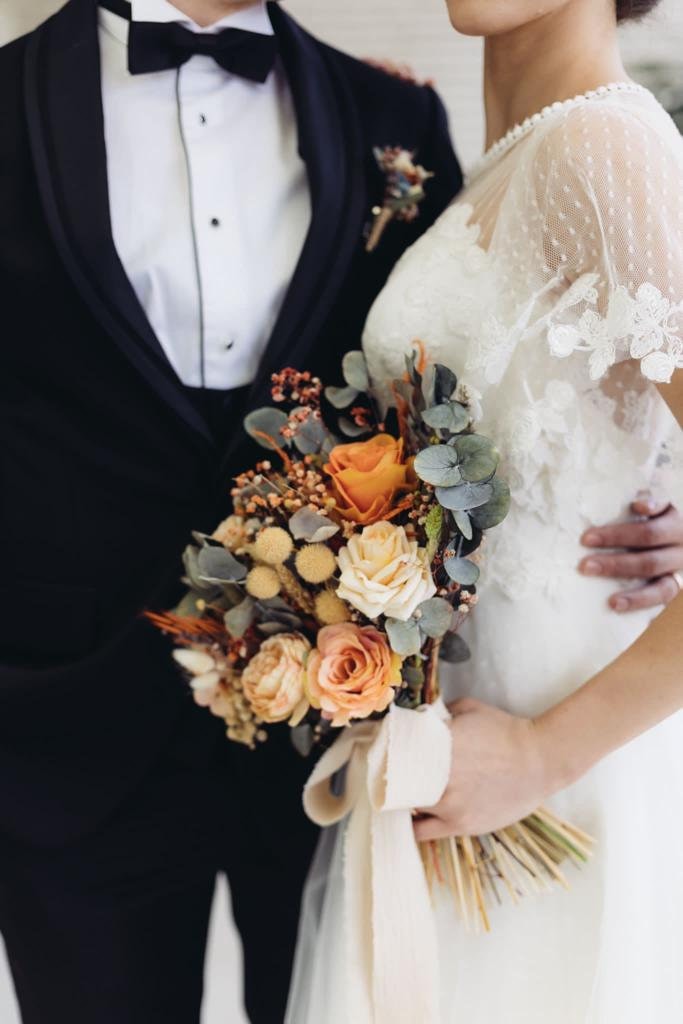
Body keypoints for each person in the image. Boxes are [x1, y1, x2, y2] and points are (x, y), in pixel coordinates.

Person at [0, 1, 679, 1022]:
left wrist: (544, 753)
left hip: (522, 757)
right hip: (327, 752)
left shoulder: (594, 145)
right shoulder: (486, 160)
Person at [289, 0, 683, 1021]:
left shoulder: (603, 150)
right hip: (447, 763)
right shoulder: (507, 155)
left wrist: (542, 753)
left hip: (559, 765)